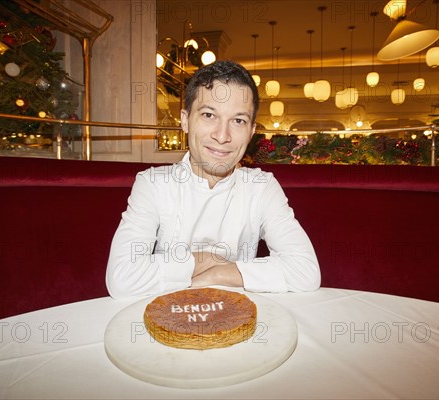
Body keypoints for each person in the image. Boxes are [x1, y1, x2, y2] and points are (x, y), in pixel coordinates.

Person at [106, 60, 320, 297]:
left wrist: (218, 273)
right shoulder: (153, 184)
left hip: (238, 320)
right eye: (209, 115)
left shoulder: (261, 186)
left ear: (251, 131)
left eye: (238, 120)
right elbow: (122, 278)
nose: (222, 135)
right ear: (185, 120)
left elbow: (307, 272)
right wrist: (204, 259)